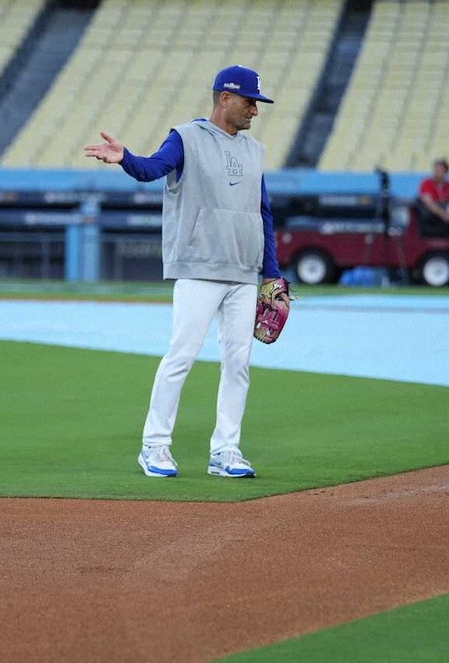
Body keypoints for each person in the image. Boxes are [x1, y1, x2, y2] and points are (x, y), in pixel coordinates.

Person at [83, 65, 286, 479]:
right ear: (224, 98)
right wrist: (126, 159)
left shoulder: (254, 151)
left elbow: (261, 212)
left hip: (244, 272)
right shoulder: (186, 138)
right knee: (181, 356)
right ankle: (154, 446)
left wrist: (272, 274)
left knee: (238, 363)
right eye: (250, 101)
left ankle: (225, 451)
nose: (255, 110)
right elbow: (153, 168)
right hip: (199, 266)